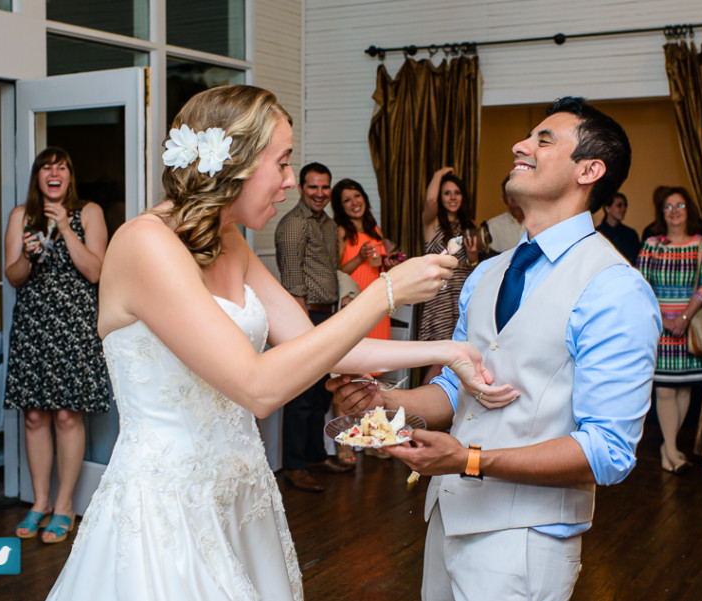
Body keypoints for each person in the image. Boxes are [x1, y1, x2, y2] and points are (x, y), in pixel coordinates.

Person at [45, 84, 503, 601]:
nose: (289, 182)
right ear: (235, 161)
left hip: (243, 496)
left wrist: (449, 352)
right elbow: (256, 386)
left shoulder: (231, 241)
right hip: (168, 508)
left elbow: (325, 346)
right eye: (282, 163)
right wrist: (386, 292)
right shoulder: (145, 242)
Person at [329, 97, 661, 601]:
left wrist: (470, 459)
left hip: (527, 541)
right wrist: (385, 403)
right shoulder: (487, 272)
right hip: (445, 520)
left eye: (544, 140)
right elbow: (451, 390)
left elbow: (608, 451)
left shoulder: (615, 288)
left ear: (589, 170)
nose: (520, 145)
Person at [4, 147, 110, 544]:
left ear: (70, 175)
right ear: (38, 176)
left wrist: (66, 227)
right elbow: (13, 276)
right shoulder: (21, 216)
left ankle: (64, 506)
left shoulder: (89, 213)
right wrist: (28, 257)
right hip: (34, 325)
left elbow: (96, 271)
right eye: (46, 167)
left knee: (67, 416)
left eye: (61, 166)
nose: (54, 172)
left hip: (75, 326)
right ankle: (40, 502)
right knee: (34, 416)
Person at [275, 162, 351, 492]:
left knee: (321, 395)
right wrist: (303, 330)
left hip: (328, 315)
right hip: (304, 318)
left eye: (324, 188)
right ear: (301, 188)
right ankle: (294, 465)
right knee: (301, 396)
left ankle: (316, 456)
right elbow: (293, 282)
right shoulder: (293, 225)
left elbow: (331, 271)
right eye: (312, 187)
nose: (319, 194)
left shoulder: (328, 224)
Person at [637, 187, 702, 473]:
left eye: (680, 205)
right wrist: (665, 318)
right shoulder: (651, 245)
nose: (674, 211)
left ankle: (667, 447)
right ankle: (671, 449)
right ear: (662, 212)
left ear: (688, 210)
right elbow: (642, 285)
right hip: (659, 327)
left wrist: (684, 317)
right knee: (665, 389)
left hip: (690, 327)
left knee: (684, 388)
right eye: (668, 206)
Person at [419, 167, 479, 383]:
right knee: (440, 358)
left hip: (462, 296)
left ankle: (445, 409)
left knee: (459, 355)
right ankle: (422, 411)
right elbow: (431, 200)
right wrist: (439, 174)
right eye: (447, 193)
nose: (452, 197)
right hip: (441, 296)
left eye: (457, 192)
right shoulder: (432, 223)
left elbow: (474, 271)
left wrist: (473, 257)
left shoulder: (469, 226)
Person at [331, 178, 402, 341]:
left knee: (380, 356)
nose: (354, 202)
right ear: (340, 207)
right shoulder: (341, 232)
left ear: (364, 197)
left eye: (357, 196)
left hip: (379, 301)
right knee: (360, 356)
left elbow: (380, 270)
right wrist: (360, 257)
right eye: (347, 200)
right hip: (356, 303)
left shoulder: (376, 230)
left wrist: (389, 264)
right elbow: (336, 272)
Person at [480, 175, 525, 255]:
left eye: (517, 191)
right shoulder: (491, 227)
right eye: (509, 192)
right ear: (503, 198)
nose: (513, 195)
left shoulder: (542, 223)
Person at [596, 191, 640, 265]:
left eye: (625, 205)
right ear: (607, 208)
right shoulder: (598, 233)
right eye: (619, 205)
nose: (624, 209)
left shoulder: (631, 234)